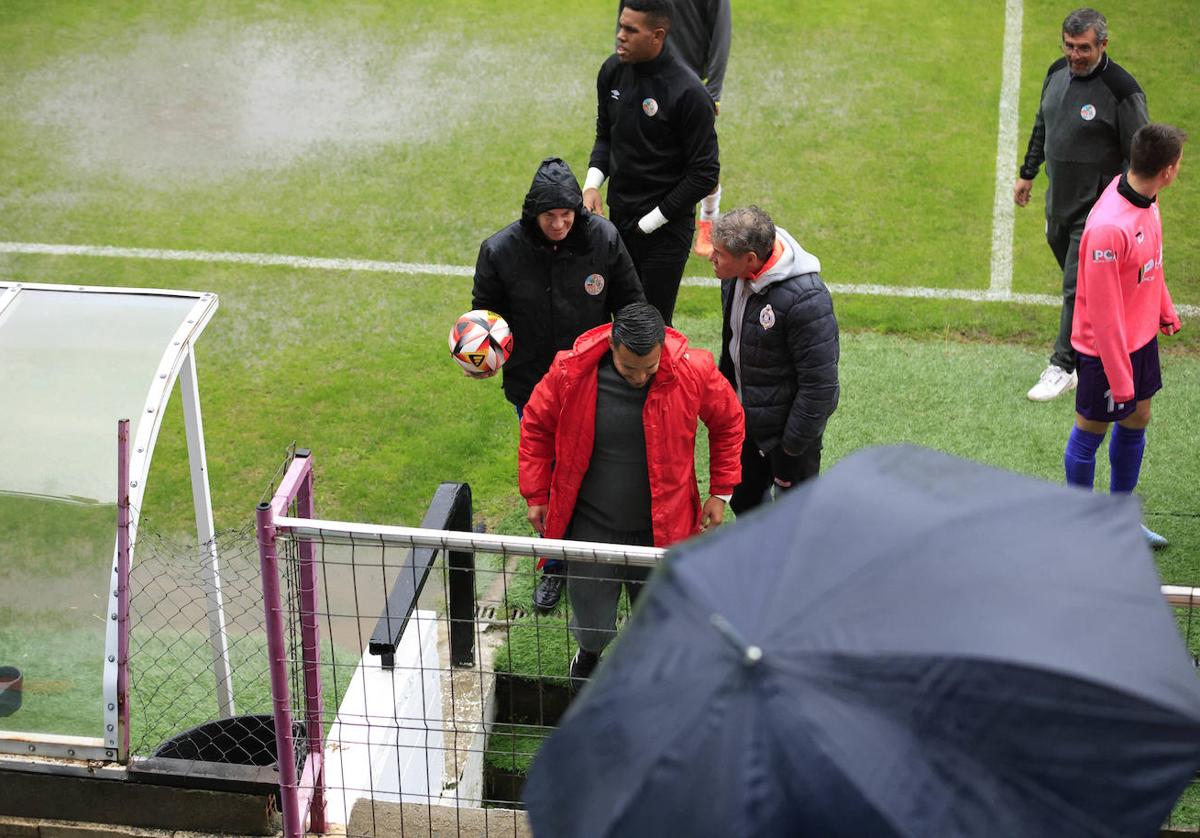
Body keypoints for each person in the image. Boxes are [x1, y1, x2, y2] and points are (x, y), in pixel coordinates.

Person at [518, 302, 743, 685]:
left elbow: (729, 422)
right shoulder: (570, 371)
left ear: (661, 350)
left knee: (659, 619)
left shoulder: (695, 370)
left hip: (665, 529)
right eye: (628, 369)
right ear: (612, 347)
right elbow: (536, 426)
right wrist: (536, 494)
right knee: (591, 622)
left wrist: (721, 492)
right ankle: (588, 654)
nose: (640, 378)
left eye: (649, 369)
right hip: (591, 526)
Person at [471, 157, 645, 612]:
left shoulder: (603, 239)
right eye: (551, 217)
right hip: (532, 386)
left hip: (594, 385)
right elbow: (485, 319)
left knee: (591, 472)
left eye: (568, 215)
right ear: (533, 214)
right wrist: (481, 357)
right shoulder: (499, 251)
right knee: (546, 479)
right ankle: (554, 566)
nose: (561, 223)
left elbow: (631, 305)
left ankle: (596, 557)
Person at [1015, 8, 1149, 402]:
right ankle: (1105, 340)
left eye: (1084, 48)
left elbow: (1139, 156)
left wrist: (1122, 206)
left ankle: (1063, 366)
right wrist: (1028, 172)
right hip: (1059, 201)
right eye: (1070, 46)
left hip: (1097, 211)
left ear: (1103, 44)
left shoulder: (1122, 90)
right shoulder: (1056, 72)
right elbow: (1043, 122)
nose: (1075, 55)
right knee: (1086, 288)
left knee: (1076, 286)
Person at [1061, 123, 1185, 548]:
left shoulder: (1148, 200)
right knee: (1090, 431)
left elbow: (1151, 262)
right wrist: (1119, 377)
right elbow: (1104, 312)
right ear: (1168, 170)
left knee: (1138, 417)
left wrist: (1163, 308)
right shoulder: (1107, 228)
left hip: (1139, 338)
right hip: (1104, 350)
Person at [584, 0, 720, 325]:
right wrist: (591, 185)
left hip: (665, 231)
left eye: (631, 30)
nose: (620, 36)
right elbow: (605, 136)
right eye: (621, 26)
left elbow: (705, 173)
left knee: (651, 326)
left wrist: (651, 221)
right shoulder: (611, 72)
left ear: (657, 35)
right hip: (619, 220)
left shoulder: (688, 93)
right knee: (613, 317)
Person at [710, 206, 839, 514]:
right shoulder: (732, 275)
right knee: (747, 507)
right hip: (744, 426)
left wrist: (791, 446)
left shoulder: (807, 299)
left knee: (792, 519)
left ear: (750, 259)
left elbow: (819, 386)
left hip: (788, 438)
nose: (711, 258)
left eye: (719, 254)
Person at [616, 0, 731, 258]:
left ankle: (708, 218)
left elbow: (721, 31)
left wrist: (713, 92)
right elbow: (625, 17)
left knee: (699, 160)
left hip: (689, 85)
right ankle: (659, 216)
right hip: (646, 75)